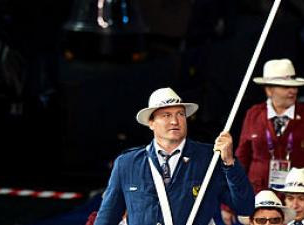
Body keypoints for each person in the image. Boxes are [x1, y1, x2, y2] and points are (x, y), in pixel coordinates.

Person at [93, 87, 254, 225]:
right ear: (151, 122)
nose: (175, 121)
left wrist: (229, 163)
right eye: (166, 115)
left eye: (180, 114)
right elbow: (107, 217)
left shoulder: (209, 158)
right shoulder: (127, 164)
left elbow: (244, 206)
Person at [236, 59, 304, 193]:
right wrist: (230, 201)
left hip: (299, 194)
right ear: (269, 90)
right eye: (286, 87)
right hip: (260, 193)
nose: (293, 91)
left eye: (294, 86)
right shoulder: (253, 114)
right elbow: (242, 157)